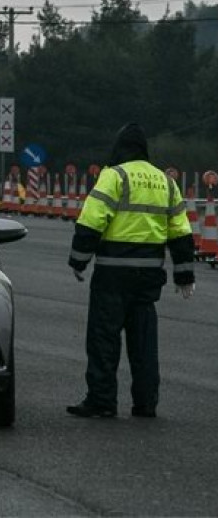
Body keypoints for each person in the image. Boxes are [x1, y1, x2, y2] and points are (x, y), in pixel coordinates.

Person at [67, 123, 197, 419]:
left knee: (103, 338)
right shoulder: (165, 181)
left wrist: (78, 260)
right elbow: (181, 232)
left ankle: (102, 401)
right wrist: (184, 275)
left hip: (113, 274)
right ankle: (146, 403)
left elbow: (92, 220)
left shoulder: (114, 175)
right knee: (144, 343)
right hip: (149, 276)